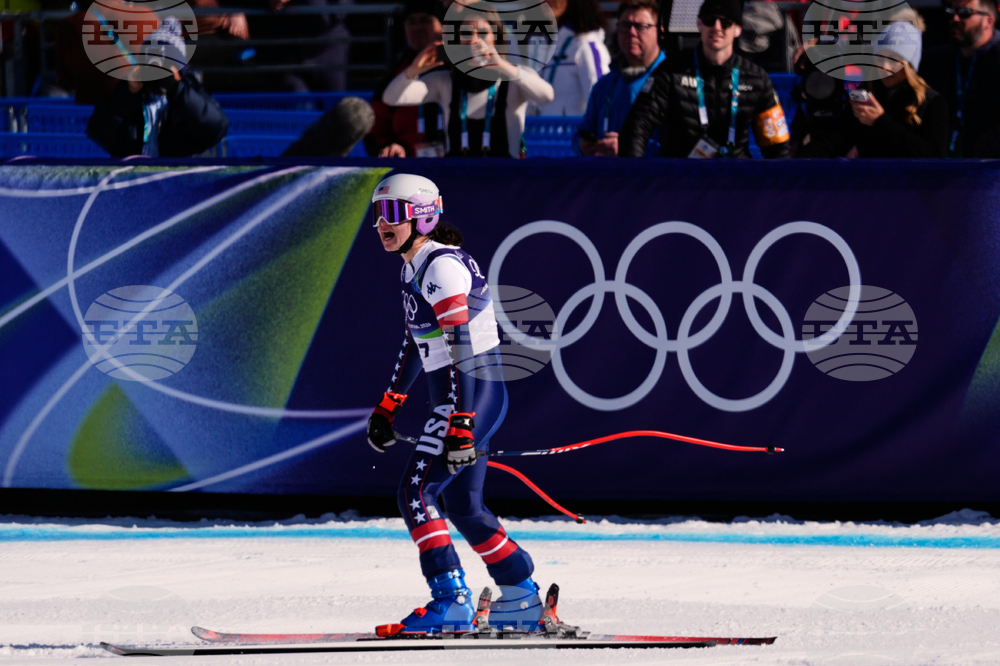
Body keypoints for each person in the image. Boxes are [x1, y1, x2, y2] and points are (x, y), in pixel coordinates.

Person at [366, 173, 542, 634]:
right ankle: (523, 595)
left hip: (471, 396)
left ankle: (451, 601)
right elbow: (417, 339)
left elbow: (461, 346)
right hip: (464, 398)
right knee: (464, 503)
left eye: (392, 213)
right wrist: (390, 405)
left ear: (422, 215)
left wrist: (462, 421)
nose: (381, 224)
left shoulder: (440, 267)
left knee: (415, 493)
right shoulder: (413, 264)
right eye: (377, 213)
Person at [619, 0, 791, 158]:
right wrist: (638, 179)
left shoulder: (756, 79)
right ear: (699, 24)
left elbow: (777, 146)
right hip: (683, 181)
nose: (717, 27)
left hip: (735, 181)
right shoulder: (671, 72)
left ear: (737, 29)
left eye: (725, 23)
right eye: (710, 20)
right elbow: (635, 129)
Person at [381, 3, 554, 157]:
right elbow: (391, 98)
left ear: (497, 37)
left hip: (504, 181)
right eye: (466, 33)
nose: (474, 40)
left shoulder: (515, 78)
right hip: (458, 179)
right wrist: (412, 71)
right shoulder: (445, 81)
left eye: (483, 33)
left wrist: (500, 65)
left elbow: (546, 96)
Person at [796, 21, 948, 158]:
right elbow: (835, 140)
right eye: (880, 58)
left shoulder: (932, 103)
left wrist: (880, 122)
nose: (885, 67)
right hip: (872, 186)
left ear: (909, 66)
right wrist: (795, 165)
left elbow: (932, 154)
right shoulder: (869, 94)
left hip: (912, 186)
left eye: (894, 60)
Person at [86, 18, 230, 157]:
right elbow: (98, 134)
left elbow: (216, 129)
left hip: (180, 178)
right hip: (135, 177)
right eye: (151, 62)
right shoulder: (131, 97)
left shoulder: (191, 94)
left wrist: (176, 89)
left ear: (179, 71)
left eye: (165, 64)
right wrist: (127, 94)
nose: (157, 71)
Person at [576, 0, 665, 156]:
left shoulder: (672, 82)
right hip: (608, 178)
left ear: (660, 32)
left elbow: (679, 148)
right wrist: (582, 145)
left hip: (656, 179)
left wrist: (627, 146)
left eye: (641, 27)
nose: (631, 32)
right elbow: (582, 132)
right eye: (625, 26)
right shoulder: (604, 85)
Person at [364, 0, 448, 157]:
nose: (417, 28)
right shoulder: (395, 77)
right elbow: (376, 129)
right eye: (411, 22)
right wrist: (389, 145)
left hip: (459, 166)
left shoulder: (459, 69)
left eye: (426, 20)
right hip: (410, 170)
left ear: (444, 26)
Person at [920, 0, 1000, 157]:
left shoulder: (997, 57)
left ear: (988, 21)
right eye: (951, 12)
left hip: (991, 170)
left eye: (965, 13)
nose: (955, 19)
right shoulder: (939, 59)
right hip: (952, 165)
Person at [530, 0, 611, 116]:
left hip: (570, 133)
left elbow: (602, 104)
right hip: (533, 132)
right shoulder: (532, 44)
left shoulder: (585, 45)